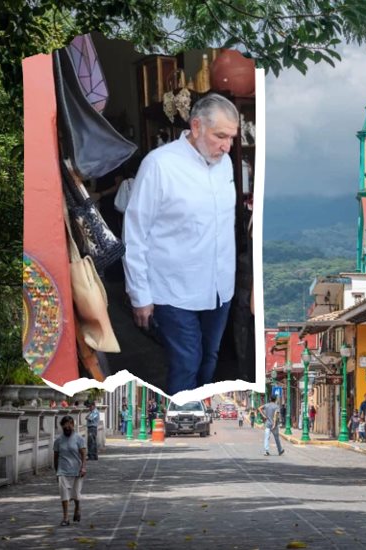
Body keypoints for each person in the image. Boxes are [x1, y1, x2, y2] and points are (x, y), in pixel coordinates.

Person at [123, 93, 240, 395]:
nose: (227, 146)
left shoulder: (225, 163)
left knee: (209, 360)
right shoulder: (160, 165)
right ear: (197, 126)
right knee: (187, 361)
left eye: (231, 137)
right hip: (173, 289)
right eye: (221, 136)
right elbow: (135, 232)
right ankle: (181, 426)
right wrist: (140, 295)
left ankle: (200, 418)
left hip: (219, 287)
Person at [53, 416, 87, 526]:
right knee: (64, 495)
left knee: (76, 494)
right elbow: (56, 456)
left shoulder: (79, 439)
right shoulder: (58, 441)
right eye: (65, 427)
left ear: (73, 425)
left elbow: (83, 454)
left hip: (77, 470)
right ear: (62, 427)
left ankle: (77, 507)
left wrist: (83, 467)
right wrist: (56, 471)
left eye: (69, 426)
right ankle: (65, 517)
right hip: (62, 470)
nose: (67, 428)